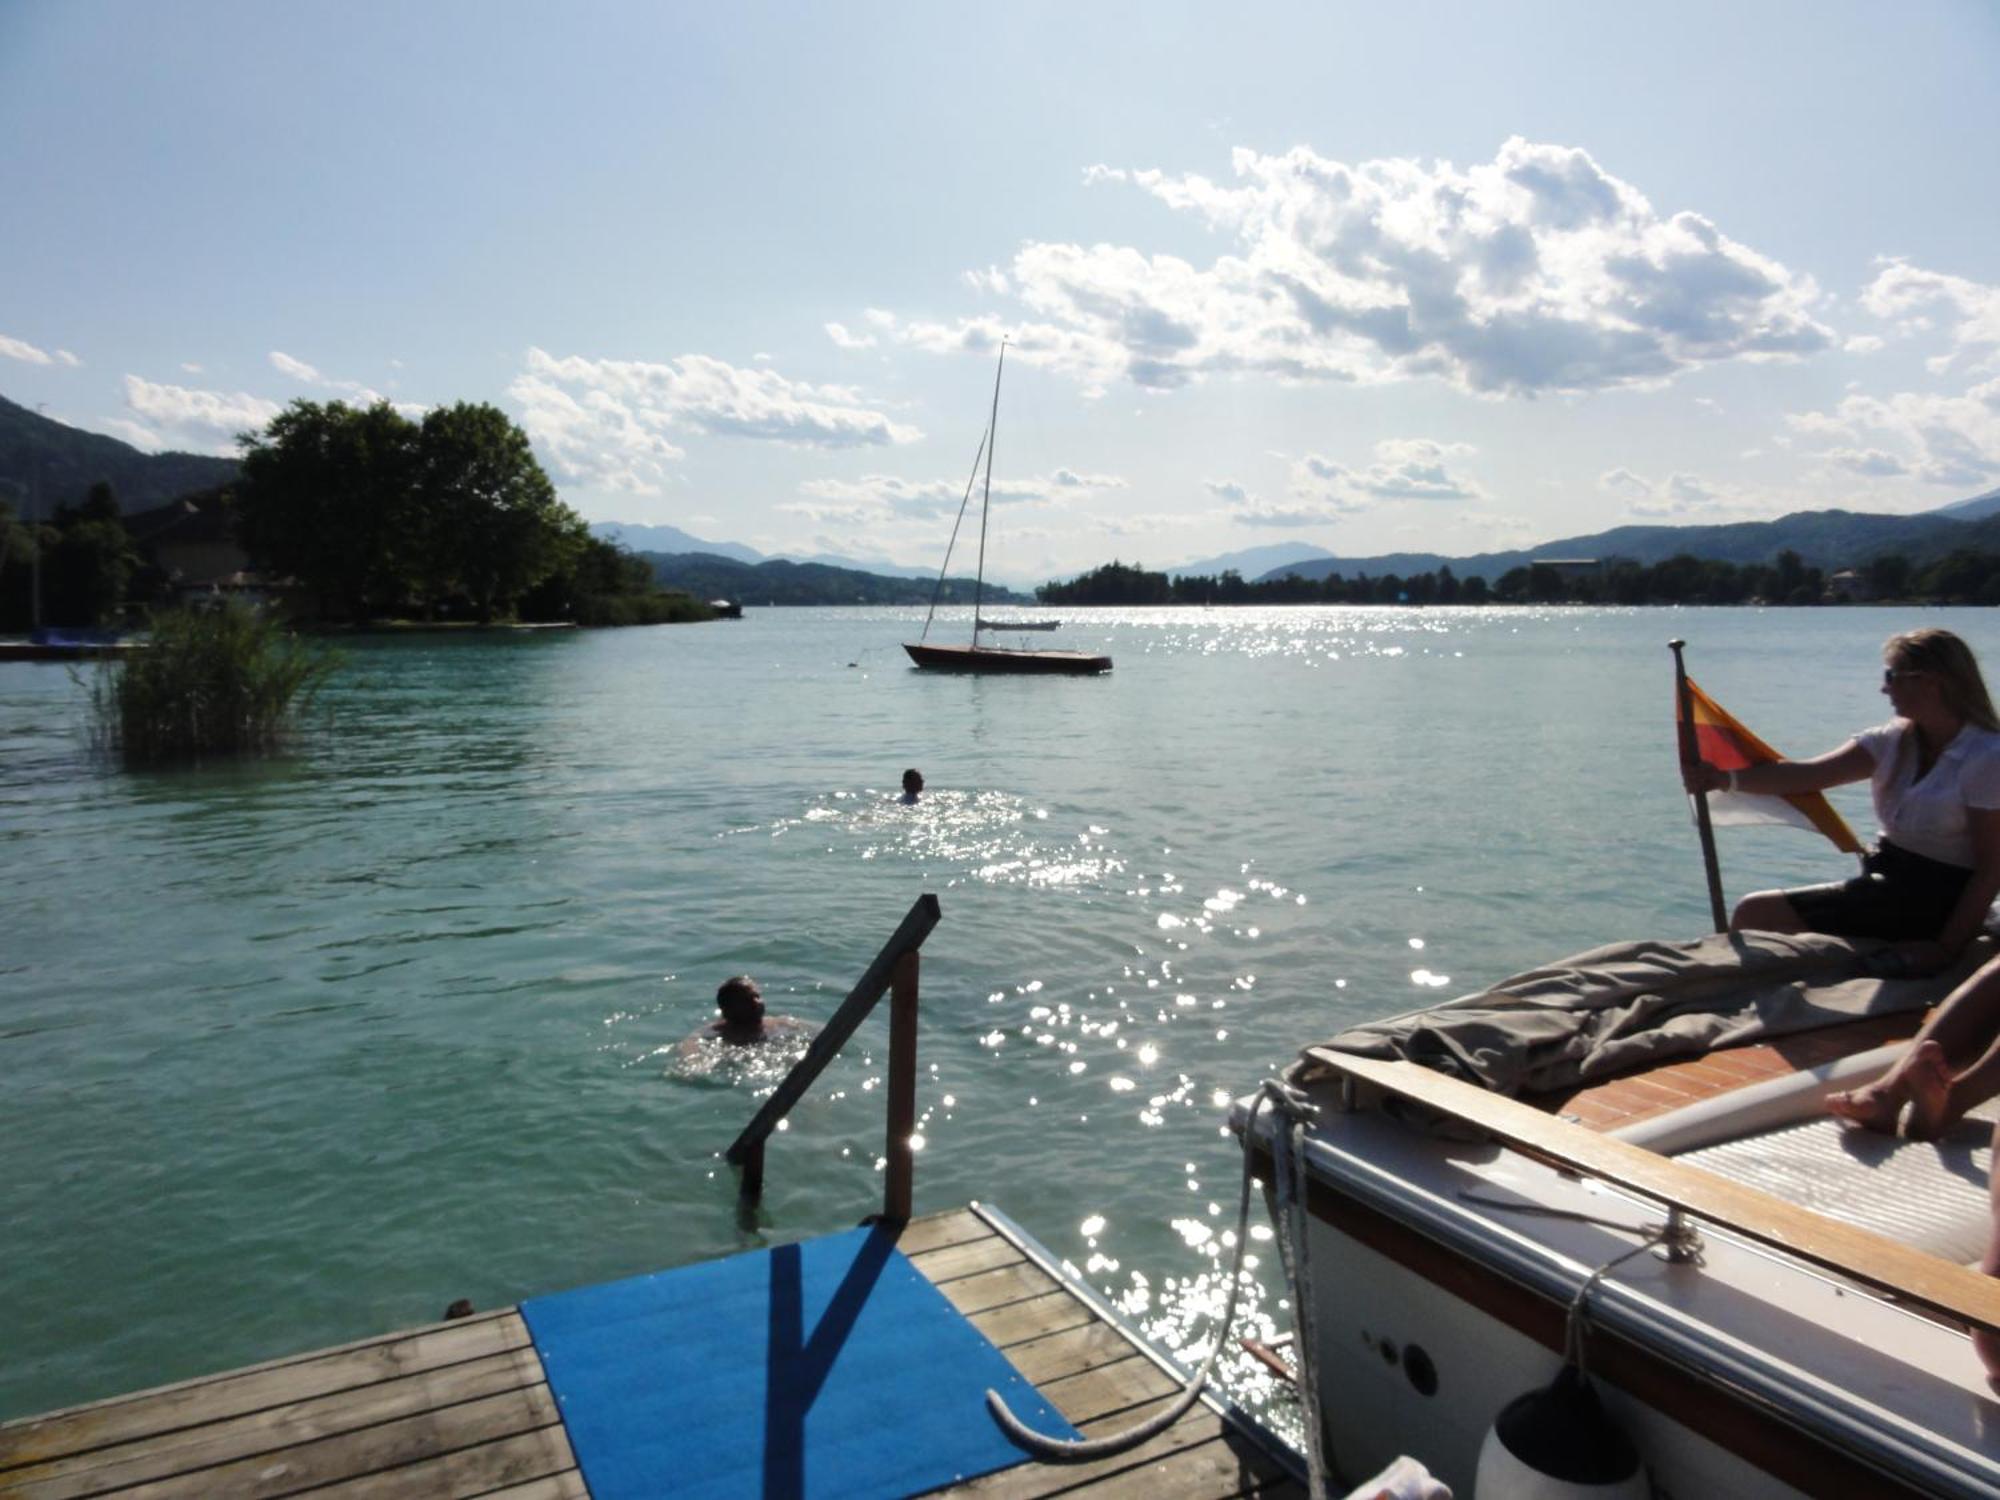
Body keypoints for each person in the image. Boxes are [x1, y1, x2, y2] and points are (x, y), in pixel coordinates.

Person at [1683, 628, 2000, 977]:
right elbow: (1808, 775)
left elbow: (1991, 868)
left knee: (1755, 913)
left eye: (1891, 676)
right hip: (1886, 885)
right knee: (1756, 914)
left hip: (1938, 900)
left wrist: (1944, 949)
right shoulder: (1894, 740)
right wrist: (1723, 779)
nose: (1884, 688)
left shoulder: (1985, 757)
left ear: (1931, 682)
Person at [681, 975, 815, 1053]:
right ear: (727, 1008)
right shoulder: (710, 1033)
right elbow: (690, 1050)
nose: (756, 1002)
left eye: (757, 996)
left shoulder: (780, 1022)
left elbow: (821, 1032)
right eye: (747, 999)